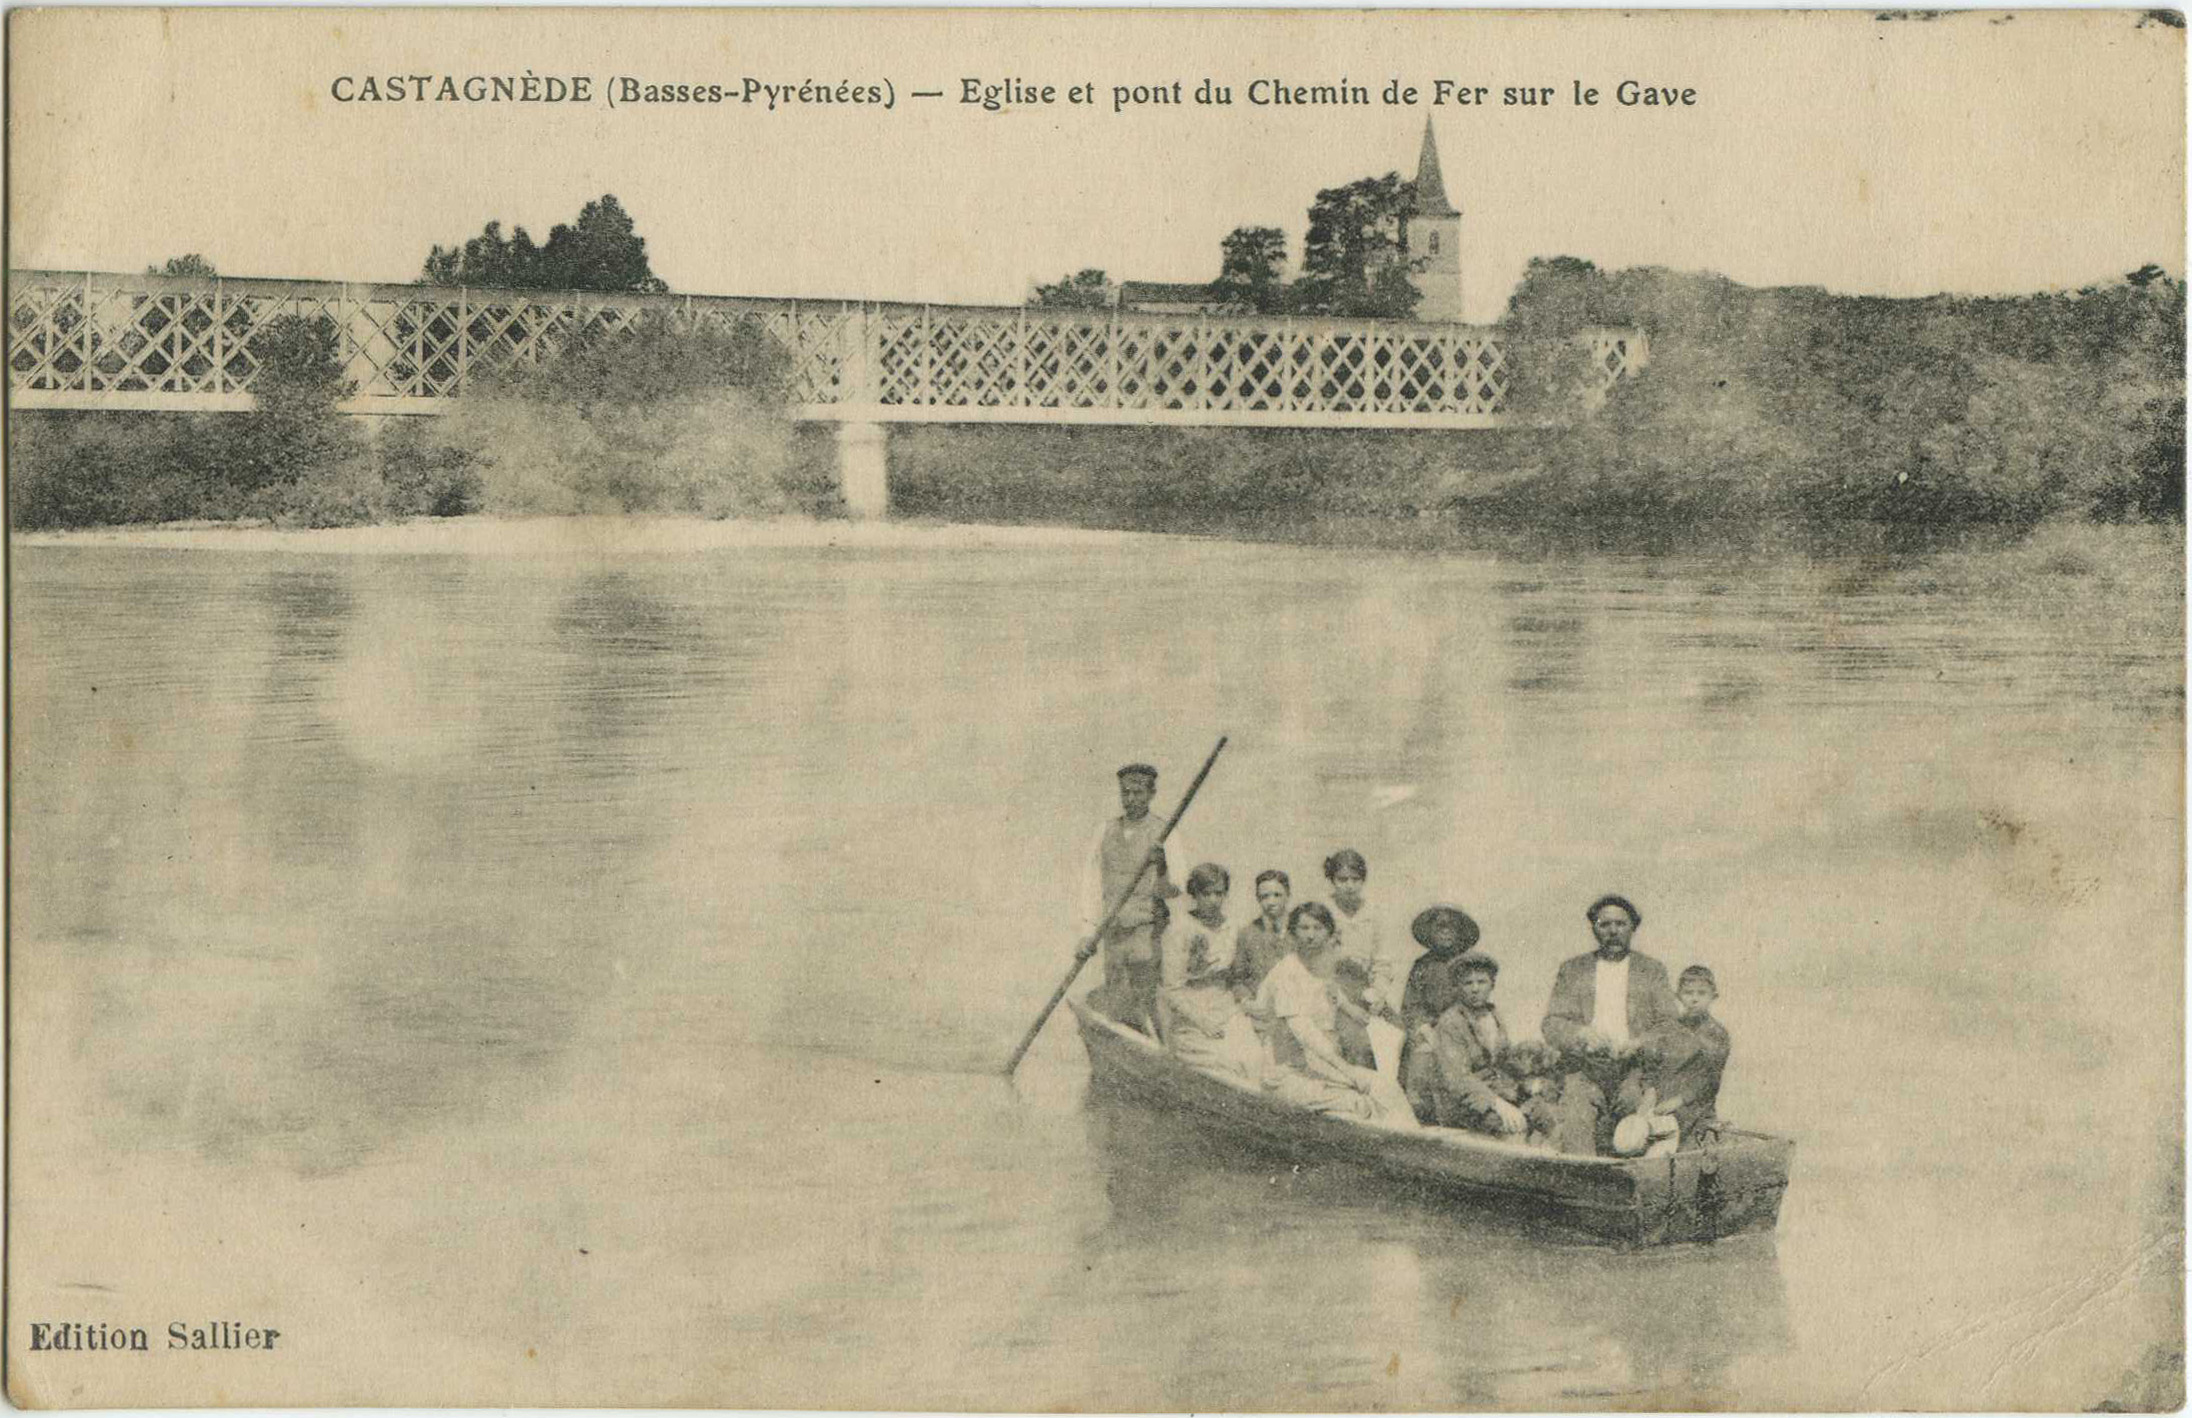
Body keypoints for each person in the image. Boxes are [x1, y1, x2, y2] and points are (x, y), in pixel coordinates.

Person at [1540, 894, 1680, 1156]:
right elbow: (1552, 1023)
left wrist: (1639, 1043)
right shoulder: (1574, 969)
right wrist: (1582, 1034)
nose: (1613, 931)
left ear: (1633, 927)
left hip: (1633, 1070)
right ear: (1594, 928)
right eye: (1604, 924)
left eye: (1621, 924)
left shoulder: (1651, 970)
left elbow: (1669, 1024)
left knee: (1641, 1127)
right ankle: (1582, 1185)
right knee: (1575, 1121)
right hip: (1584, 1069)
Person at [1253, 903, 1412, 1125]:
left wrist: (1351, 1009)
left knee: (1387, 1088)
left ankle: (1415, 1146)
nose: (1310, 935)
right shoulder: (1287, 972)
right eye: (1304, 928)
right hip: (1287, 1070)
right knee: (1361, 1103)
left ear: (1329, 932)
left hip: (1321, 1065)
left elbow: (1332, 992)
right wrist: (1347, 1070)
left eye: (1317, 928)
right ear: (1292, 932)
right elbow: (1303, 1031)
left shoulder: (1325, 964)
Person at [1080, 763, 1191, 1034]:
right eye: (1126, 793)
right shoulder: (1104, 831)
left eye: (1138, 793)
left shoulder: (1165, 834)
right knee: (1117, 1000)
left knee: (1150, 1000)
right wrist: (1087, 932)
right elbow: (1091, 886)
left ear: (1151, 794)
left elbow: (1177, 889)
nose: (1131, 799)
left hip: (1149, 932)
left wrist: (1161, 865)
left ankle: (1160, 1056)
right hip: (1113, 932)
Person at [1407, 952, 1537, 1138]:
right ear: (1457, 988)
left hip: (1496, 1093)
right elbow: (1459, 1079)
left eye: (1481, 982)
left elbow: (1503, 1063)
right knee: (1511, 1126)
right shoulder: (1451, 1022)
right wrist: (1499, 1104)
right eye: (1468, 983)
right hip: (1464, 1106)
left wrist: (1528, 1083)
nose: (1475, 989)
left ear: (1492, 984)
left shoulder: (1495, 1016)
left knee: (1545, 1113)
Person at [1156, 864, 1265, 1082]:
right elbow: (1171, 989)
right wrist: (1202, 1021)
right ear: (1195, 894)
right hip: (1190, 1014)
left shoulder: (1233, 927)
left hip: (1227, 1008)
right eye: (1207, 894)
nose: (1214, 900)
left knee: (1255, 1060)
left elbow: (1239, 975)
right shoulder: (1178, 930)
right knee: (1224, 1064)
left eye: (1219, 893)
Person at [1630, 965, 1732, 1153]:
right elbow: (1651, 1065)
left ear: (1713, 996)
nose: (1694, 999)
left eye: (1701, 993)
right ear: (1678, 996)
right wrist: (1649, 1091)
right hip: (1660, 1105)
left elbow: (1710, 1080)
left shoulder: (1716, 1034)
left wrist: (1679, 1101)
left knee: (1684, 1158)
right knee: (1635, 1140)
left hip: (1694, 1109)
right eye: (1688, 993)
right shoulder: (1669, 1029)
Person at [1323, 849, 1403, 1072]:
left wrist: (1378, 994)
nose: (1349, 886)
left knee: (1399, 1033)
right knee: (1358, 1043)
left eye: (1355, 880)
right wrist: (1345, 1005)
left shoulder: (1373, 914)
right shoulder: (1324, 913)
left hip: (1365, 990)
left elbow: (1382, 961)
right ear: (1332, 880)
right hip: (1333, 993)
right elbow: (1319, 967)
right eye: (1342, 880)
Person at [1397, 904, 1480, 1100]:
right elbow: (1411, 1005)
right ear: (1431, 933)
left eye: (1450, 929)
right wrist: (1424, 1028)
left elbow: (1477, 999)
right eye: (1439, 929)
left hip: (1461, 1028)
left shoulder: (1468, 964)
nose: (1445, 934)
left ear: (1459, 933)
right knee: (1418, 1064)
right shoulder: (1422, 966)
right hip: (1428, 1030)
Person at [1229, 869, 1293, 1000]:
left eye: (1277, 895)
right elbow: (1237, 979)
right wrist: (1249, 1002)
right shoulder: (1247, 934)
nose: (1271, 902)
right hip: (1259, 1008)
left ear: (1288, 895)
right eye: (1265, 896)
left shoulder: (1302, 929)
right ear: (1257, 898)